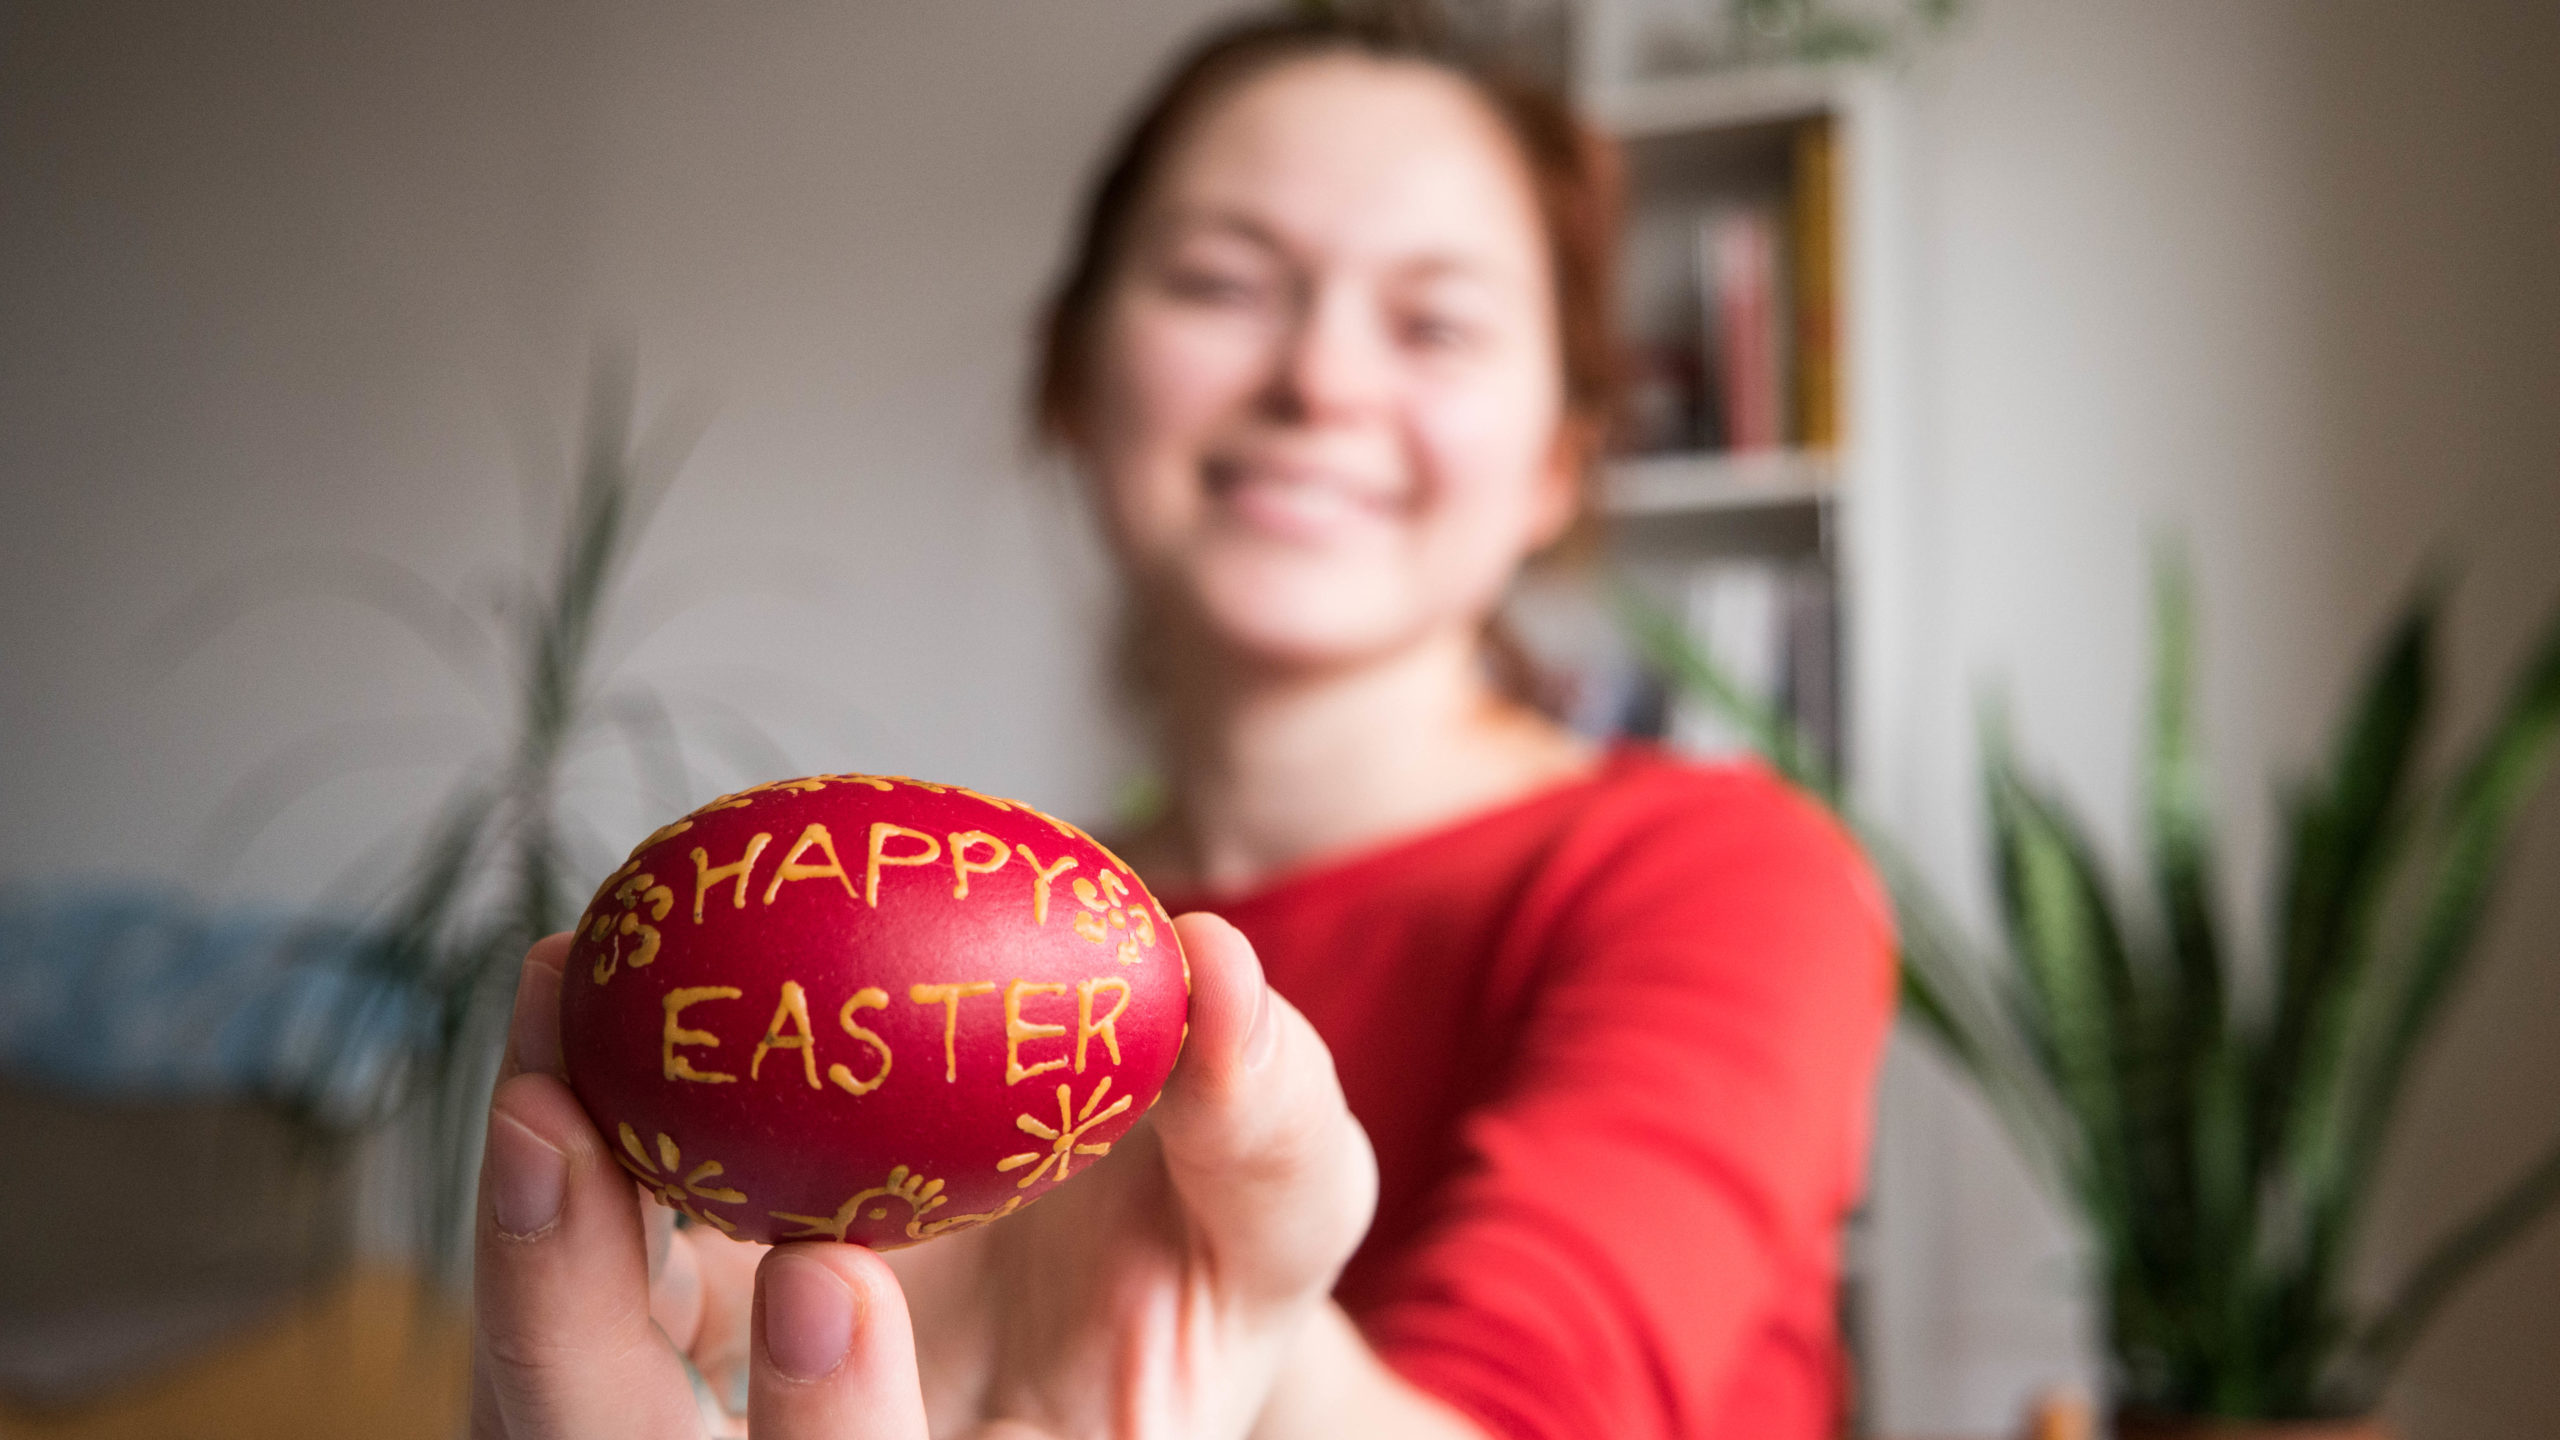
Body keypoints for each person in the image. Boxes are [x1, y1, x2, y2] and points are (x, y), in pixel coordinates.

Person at [468, 13, 1894, 1440]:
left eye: (1438, 322)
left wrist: (1229, 1351)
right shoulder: (995, 962)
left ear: (1556, 466)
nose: (1321, 381)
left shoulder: (1730, 874)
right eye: (1220, 282)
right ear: (1070, 378)